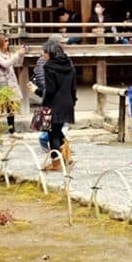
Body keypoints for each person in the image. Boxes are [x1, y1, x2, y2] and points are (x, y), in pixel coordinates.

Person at [40, 38, 77, 171]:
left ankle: (56, 163)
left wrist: (44, 104)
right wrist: (73, 101)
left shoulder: (49, 67)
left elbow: (50, 90)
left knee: (52, 134)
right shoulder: (69, 65)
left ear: (50, 53)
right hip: (68, 103)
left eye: (44, 53)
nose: (43, 55)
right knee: (57, 131)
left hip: (54, 103)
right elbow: (73, 87)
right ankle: (67, 157)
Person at [0, 34, 26, 135]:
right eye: (5, 41)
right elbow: (6, 64)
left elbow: (16, 63)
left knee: (11, 107)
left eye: (7, 41)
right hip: (2, 82)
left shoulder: (7, 53)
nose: (7, 43)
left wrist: (21, 54)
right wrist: (17, 54)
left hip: (11, 82)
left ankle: (12, 130)